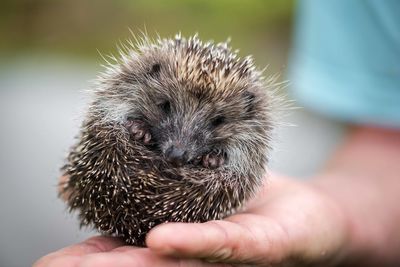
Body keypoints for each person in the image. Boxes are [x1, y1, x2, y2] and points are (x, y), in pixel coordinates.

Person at [34, 0, 400, 266]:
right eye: (165, 108)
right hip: (119, 162)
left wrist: (216, 164)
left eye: (214, 123)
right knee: (114, 140)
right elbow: (386, 139)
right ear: (150, 76)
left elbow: (240, 167)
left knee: (220, 179)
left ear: (246, 113)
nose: (178, 146)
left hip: (200, 188)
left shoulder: (248, 124)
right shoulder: (138, 82)